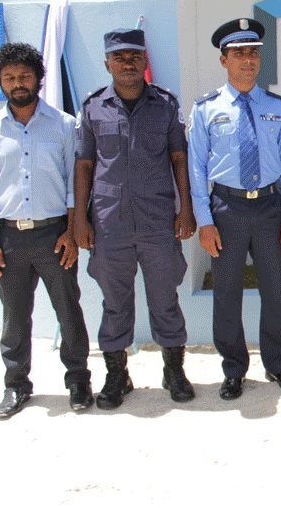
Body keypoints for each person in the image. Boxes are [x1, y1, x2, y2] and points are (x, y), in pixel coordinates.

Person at [74, 28, 197, 409]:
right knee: (115, 303)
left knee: (165, 299)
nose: (127, 63)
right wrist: (80, 219)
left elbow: (179, 158)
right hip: (109, 223)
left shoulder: (165, 104)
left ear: (144, 60)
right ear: (107, 63)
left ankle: (173, 371)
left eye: (134, 56)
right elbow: (84, 164)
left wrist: (186, 207)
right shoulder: (93, 107)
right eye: (119, 57)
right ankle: (117, 375)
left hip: (158, 220)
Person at [0, 43, 92, 419]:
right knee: (14, 317)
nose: (18, 83)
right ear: (0, 82)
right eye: (9, 77)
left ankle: (78, 380)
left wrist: (70, 232)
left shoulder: (64, 125)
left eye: (25, 76)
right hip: (9, 239)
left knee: (68, 311)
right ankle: (16, 385)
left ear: (38, 79)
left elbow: (75, 184)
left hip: (54, 236)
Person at [189, 18, 281, 401]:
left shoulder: (277, 107)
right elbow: (196, 169)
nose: (248, 60)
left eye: (253, 52)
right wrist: (205, 221)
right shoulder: (207, 109)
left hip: (270, 207)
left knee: (275, 291)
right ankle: (234, 370)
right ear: (224, 60)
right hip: (226, 209)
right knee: (226, 294)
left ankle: (279, 365)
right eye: (239, 53)